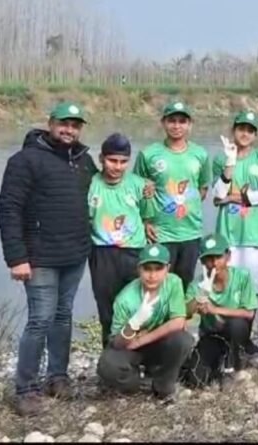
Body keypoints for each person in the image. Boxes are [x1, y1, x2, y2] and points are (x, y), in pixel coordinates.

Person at [0, 101, 97, 415]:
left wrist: (142, 190)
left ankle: (57, 377)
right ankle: (25, 389)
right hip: (39, 258)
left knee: (63, 316)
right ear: (50, 123)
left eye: (75, 125)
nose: (69, 130)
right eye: (63, 123)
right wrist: (16, 257)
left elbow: (106, 191)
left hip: (75, 254)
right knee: (39, 320)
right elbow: (8, 211)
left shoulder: (83, 160)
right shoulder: (24, 161)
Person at [96, 244, 194, 402]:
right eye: (147, 268)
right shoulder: (125, 299)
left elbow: (178, 322)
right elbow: (118, 343)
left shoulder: (174, 283)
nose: (152, 275)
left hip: (153, 342)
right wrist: (134, 323)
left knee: (183, 340)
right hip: (130, 346)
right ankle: (139, 383)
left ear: (167, 269)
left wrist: (142, 339)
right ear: (138, 269)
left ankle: (163, 384)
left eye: (158, 269)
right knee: (107, 365)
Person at [134, 100, 211, 288]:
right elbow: (136, 190)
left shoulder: (200, 154)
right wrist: (146, 221)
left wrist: (184, 205)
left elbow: (202, 189)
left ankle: (179, 318)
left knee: (183, 285)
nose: (177, 126)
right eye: (172, 120)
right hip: (160, 233)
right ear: (163, 123)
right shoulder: (148, 154)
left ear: (189, 124)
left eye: (182, 121)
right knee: (156, 285)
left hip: (190, 232)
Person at [88, 133, 154, 346]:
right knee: (107, 310)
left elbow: (147, 216)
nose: (117, 167)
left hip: (134, 252)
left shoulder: (139, 185)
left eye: (123, 162)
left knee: (139, 306)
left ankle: (140, 357)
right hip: (102, 253)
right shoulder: (91, 184)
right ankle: (110, 355)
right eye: (112, 161)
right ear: (101, 159)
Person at [212, 110, 258, 300]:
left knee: (252, 286)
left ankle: (252, 325)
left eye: (250, 130)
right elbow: (217, 196)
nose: (245, 134)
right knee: (225, 282)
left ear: (255, 135)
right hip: (227, 231)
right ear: (234, 130)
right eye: (241, 129)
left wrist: (232, 198)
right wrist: (230, 162)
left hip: (254, 233)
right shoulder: (221, 159)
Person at [180, 234, 256, 387]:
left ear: (228, 256)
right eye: (209, 259)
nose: (214, 263)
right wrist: (199, 298)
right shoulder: (198, 284)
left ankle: (237, 361)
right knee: (196, 380)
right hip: (212, 335)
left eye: (218, 257)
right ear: (202, 261)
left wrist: (215, 309)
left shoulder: (242, 276)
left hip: (237, 332)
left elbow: (249, 312)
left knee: (237, 324)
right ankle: (218, 363)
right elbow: (185, 313)